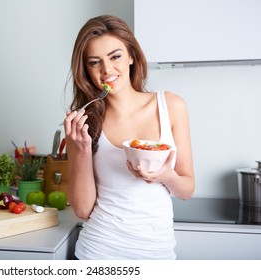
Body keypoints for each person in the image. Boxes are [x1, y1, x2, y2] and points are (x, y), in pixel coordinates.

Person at [62, 15, 195, 260]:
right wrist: (80, 149)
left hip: (157, 254)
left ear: (132, 56)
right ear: (86, 71)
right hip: (97, 253)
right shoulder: (83, 123)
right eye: (94, 62)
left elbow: (187, 189)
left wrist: (166, 176)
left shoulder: (171, 106)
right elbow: (82, 209)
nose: (107, 70)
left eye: (115, 56)